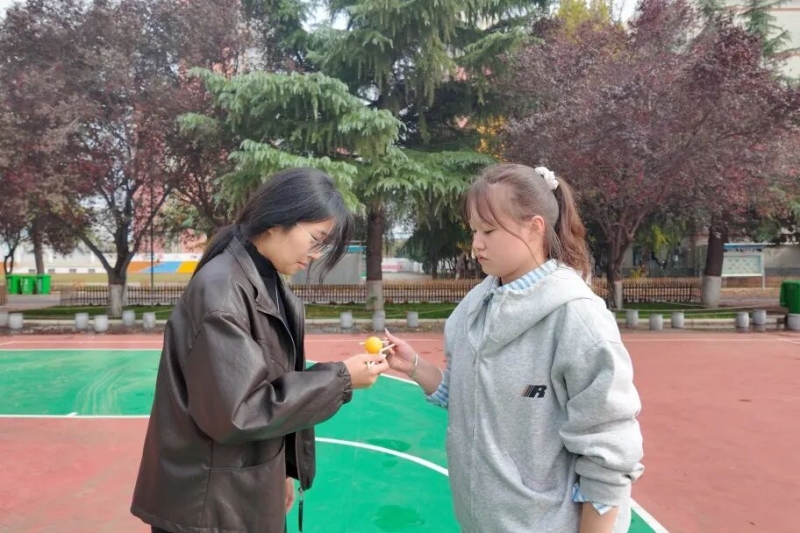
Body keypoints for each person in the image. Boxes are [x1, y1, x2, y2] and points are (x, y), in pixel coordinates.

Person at [382, 163, 644, 533]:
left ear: (534, 228)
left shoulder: (577, 318)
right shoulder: (472, 309)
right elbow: (472, 398)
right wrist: (414, 367)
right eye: (474, 230)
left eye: (489, 230)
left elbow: (609, 447)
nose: (476, 243)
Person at [132, 168, 389, 533]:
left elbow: (269, 384)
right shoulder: (223, 290)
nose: (316, 255)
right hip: (208, 507)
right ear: (278, 219)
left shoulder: (266, 282)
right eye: (316, 239)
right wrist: (342, 379)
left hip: (238, 489)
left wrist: (281, 471)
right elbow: (240, 410)